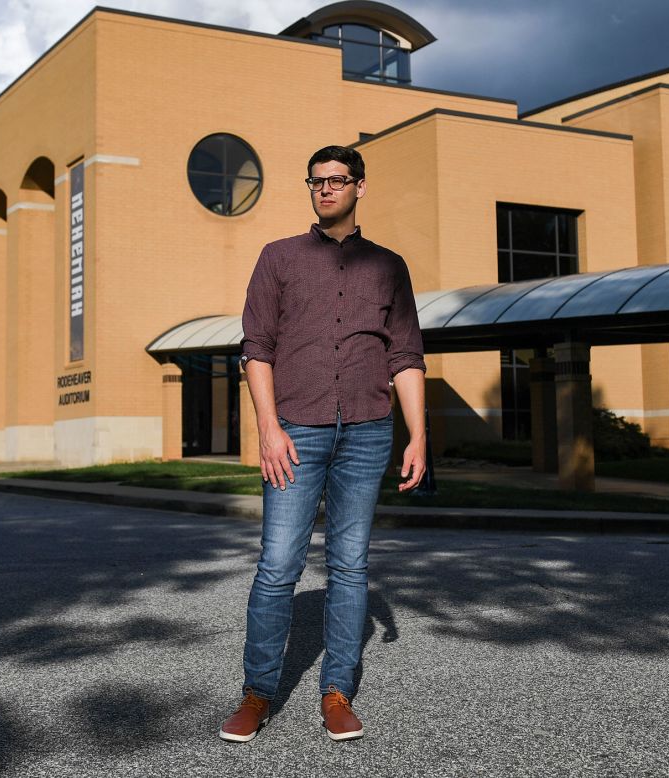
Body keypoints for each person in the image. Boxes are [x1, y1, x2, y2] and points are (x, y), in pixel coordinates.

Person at [218, 145, 428, 743]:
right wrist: (269, 428)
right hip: (296, 431)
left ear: (360, 186)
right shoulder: (279, 257)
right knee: (278, 565)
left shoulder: (389, 266)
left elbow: (405, 354)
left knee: (350, 565)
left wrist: (419, 435)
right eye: (317, 181)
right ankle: (258, 693)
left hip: (368, 430)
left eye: (337, 180)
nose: (326, 189)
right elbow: (256, 348)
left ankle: (336, 692)